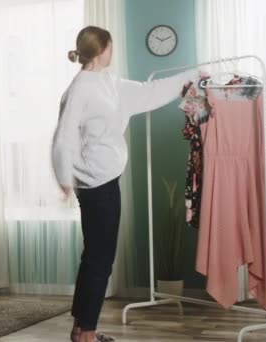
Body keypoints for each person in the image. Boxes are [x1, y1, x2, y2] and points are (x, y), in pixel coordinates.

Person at [51, 26, 199, 342]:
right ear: (103, 49)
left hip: (105, 181)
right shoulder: (79, 89)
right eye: (111, 46)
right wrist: (64, 178)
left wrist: (193, 74)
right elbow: (63, 136)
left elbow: (150, 91)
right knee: (101, 260)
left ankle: (82, 328)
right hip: (95, 185)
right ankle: (87, 334)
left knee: (94, 257)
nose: (113, 51)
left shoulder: (109, 83)